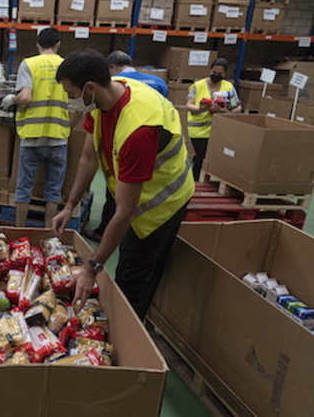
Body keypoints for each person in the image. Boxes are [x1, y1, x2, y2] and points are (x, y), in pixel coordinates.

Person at [52, 48, 194, 320]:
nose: (70, 100)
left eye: (71, 93)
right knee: (126, 258)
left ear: (89, 87)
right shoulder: (102, 99)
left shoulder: (138, 130)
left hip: (162, 203)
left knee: (135, 272)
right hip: (132, 191)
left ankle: (133, 340)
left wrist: (92, 268)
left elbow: (126, 212)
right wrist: (70, 205)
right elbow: (88, 156)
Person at [86, 51, 171, 242]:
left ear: (113, 68)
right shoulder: (156, 82)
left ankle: (105, 232)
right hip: (156, 159)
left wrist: (95, 264)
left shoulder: (111, 83)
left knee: (117, 201)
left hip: (127, 146)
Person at [0, 28, 69, 228]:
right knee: (53, 192)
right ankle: (49, 234)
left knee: (24, 190)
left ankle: (19, 232)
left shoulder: (29, 64)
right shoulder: (66, 65)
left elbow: (25, 97)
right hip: (58, 137)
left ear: (37, 44)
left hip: (32, 137)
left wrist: (11, 99)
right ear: (58, 45)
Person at [186, 57, 242, 181]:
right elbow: (189, 104)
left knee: (208, 157)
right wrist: (201, 108)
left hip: (219, 130)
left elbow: (237, 107)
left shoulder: (228, 87)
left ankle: (199, 180)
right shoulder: (198, 85)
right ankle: (195, 181)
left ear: (225, 74)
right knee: (202, 155)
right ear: (210, 70)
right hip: (198, 130)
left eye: (219, 74)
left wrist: (226, 112)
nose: (216, 75)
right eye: (214, 73)